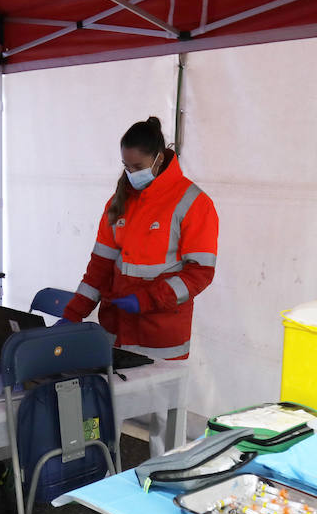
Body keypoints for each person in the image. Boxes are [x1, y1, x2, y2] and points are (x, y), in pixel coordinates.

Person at [60, 116, 219, 452]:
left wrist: (146, 300)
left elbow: (200, 272)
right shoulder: (120, 200)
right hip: (117, 329)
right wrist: (73, 314)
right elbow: (99, 267)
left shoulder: (193, 202)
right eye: (125, 165)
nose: (131, 173)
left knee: (163, 423)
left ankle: (164, 484)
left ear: (159, 157)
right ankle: (100, 473)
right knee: (107, 409)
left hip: (162, 336)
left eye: (137, 165)